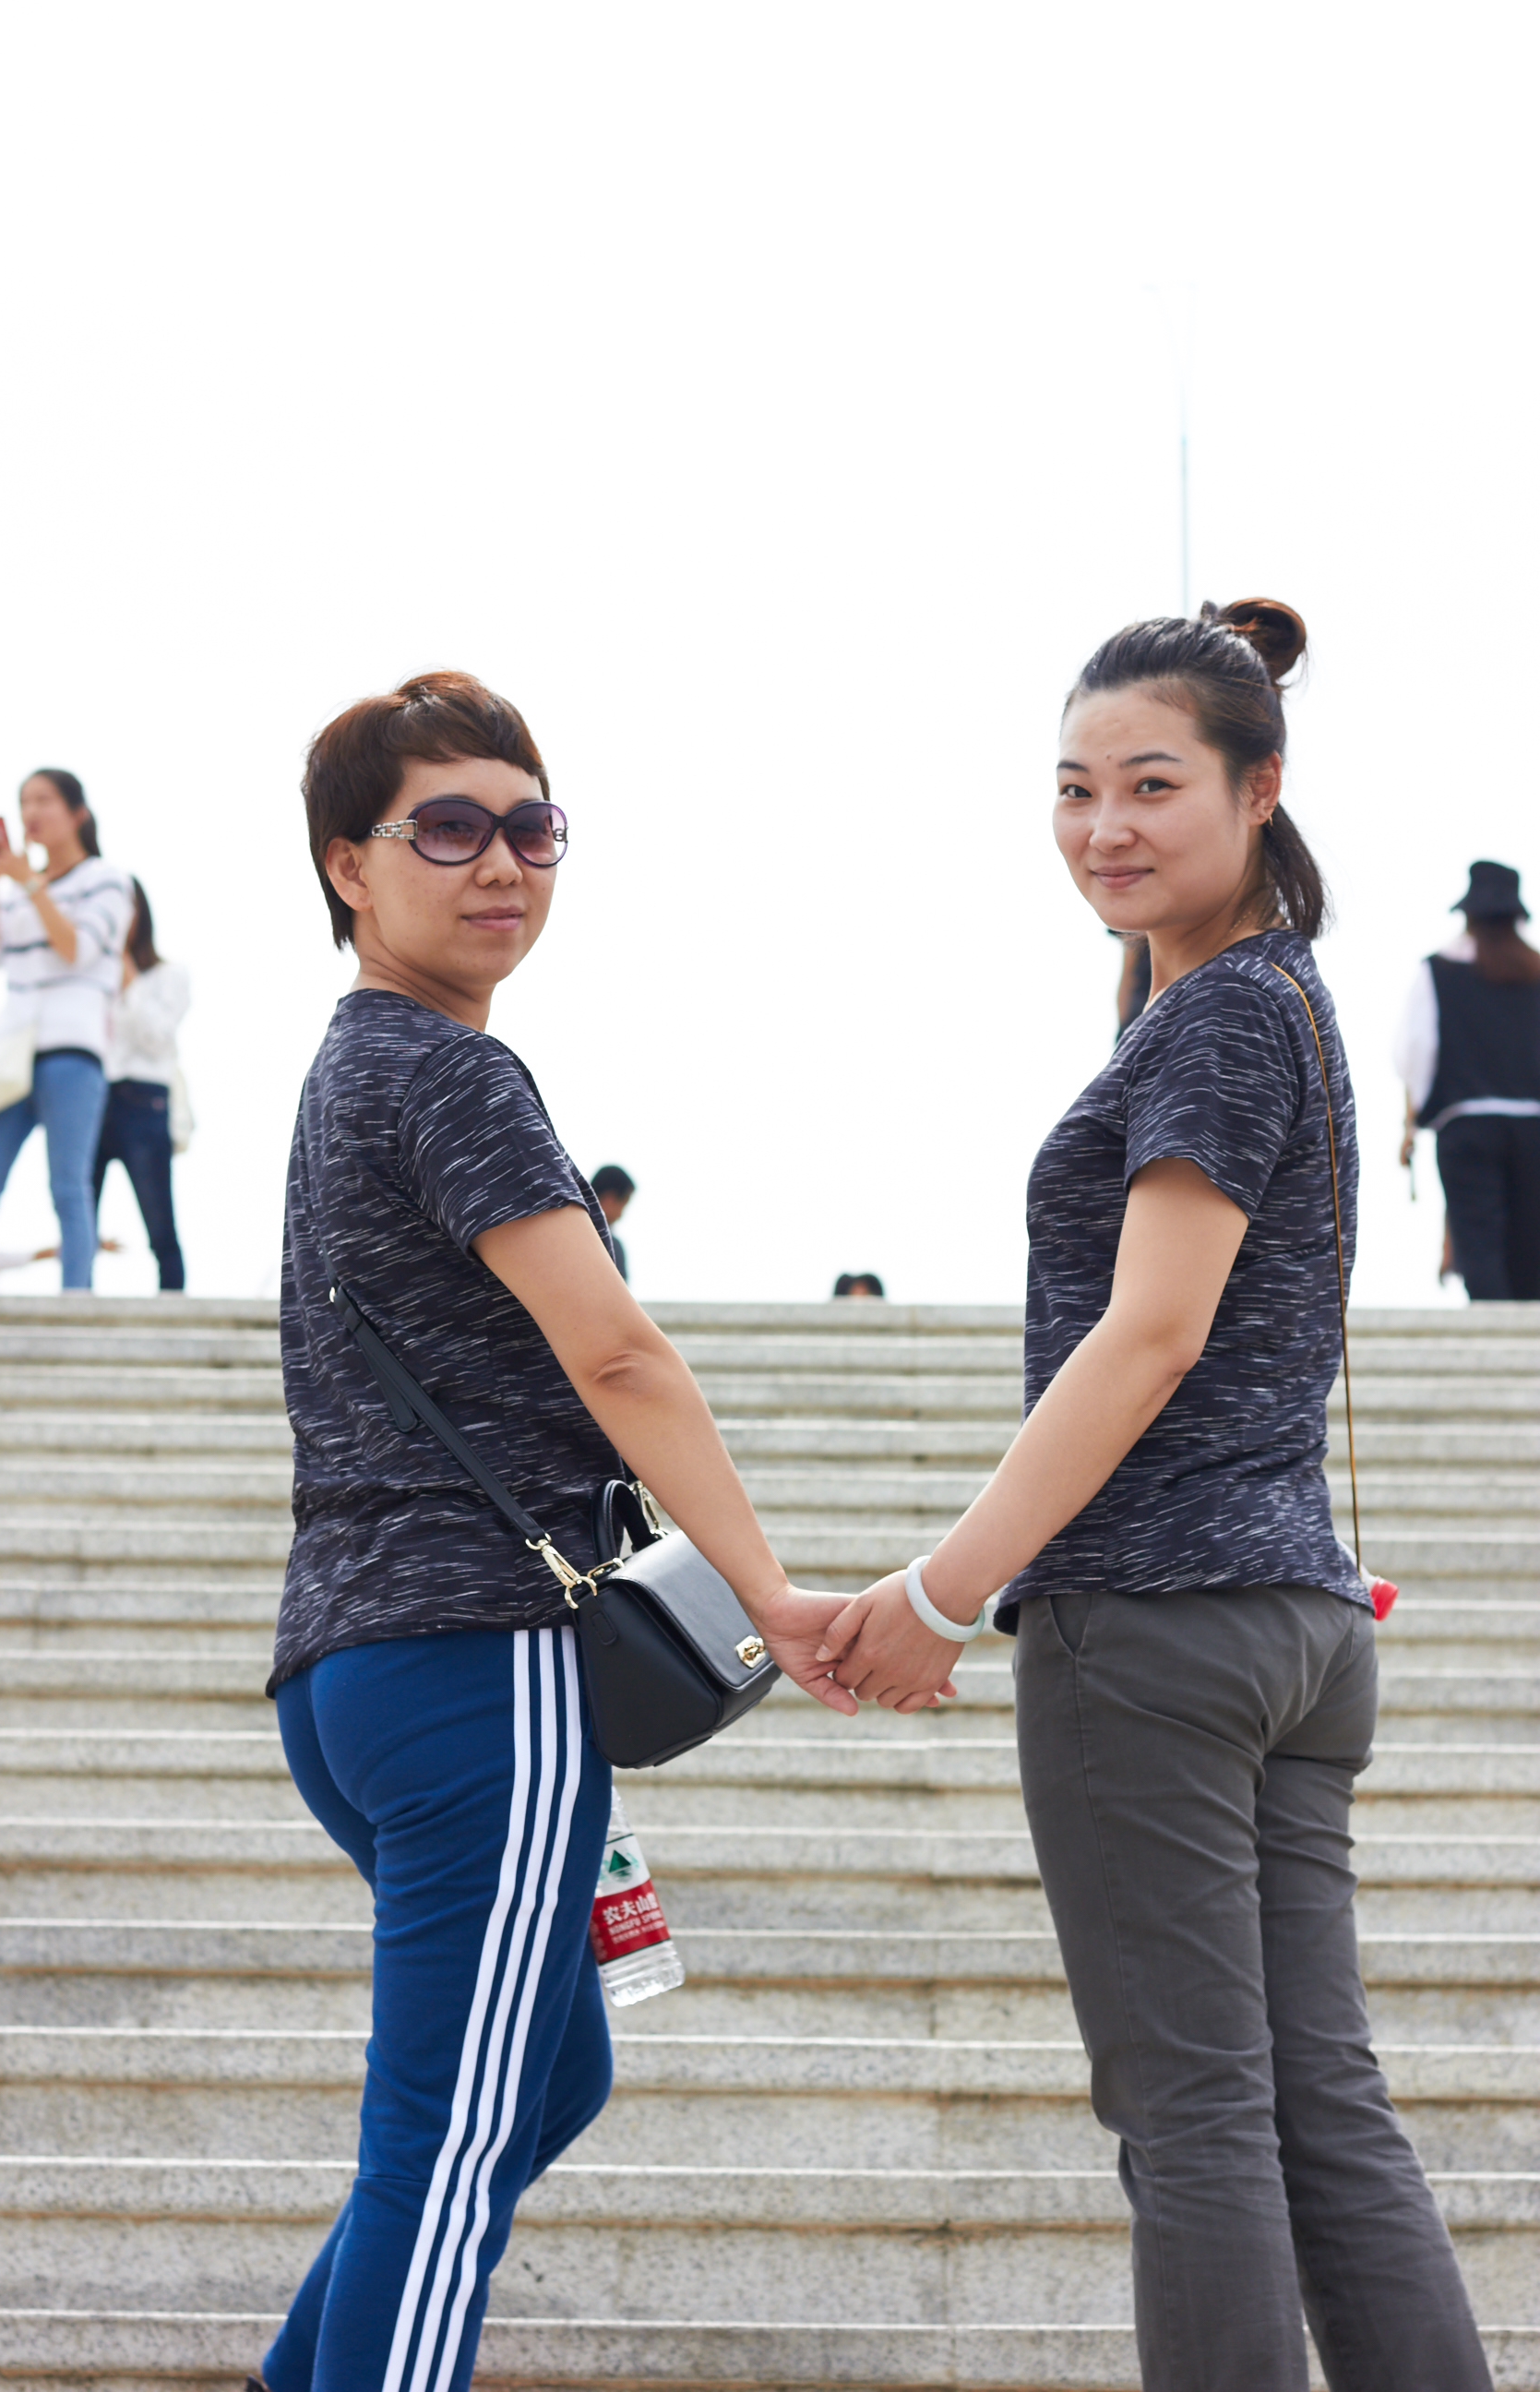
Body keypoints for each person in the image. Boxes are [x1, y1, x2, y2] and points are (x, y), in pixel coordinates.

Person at [818, 601, 1490, 2392]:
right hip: (1290, 1624)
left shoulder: (1220, 1018)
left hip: (1159, 1630)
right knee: (1320, 2112)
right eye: (1073, 789)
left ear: (1261, 788)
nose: (1102, 826)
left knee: (1194, 2119)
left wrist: (943, 1592)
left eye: (1151, 785)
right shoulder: (1263, 999)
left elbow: (1150, 1335)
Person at [262, 670, 862, 2392]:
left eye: (532, 828)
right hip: (474, 1660)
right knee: (450, 2144)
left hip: (358, 1670)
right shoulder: (450, 1070)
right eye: (447, 828)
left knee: (550, 2069)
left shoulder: (350, 1070)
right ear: (348, 866)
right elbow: (618, 1353)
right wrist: (768, 1593)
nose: (501, 863)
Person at [0, 771, 135, 1290]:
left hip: (73, 1050)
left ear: (77, 813)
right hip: (13, 1051)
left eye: (44, 800)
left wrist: (28, 883)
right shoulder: (15, 888)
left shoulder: (107, 880)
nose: (31, 812)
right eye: (24, 802)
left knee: (69, 1189)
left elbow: (75, 948)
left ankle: (76, 1305)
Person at [1394, 861, 1540, 1300]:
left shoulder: (1438, 970)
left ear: (1469, 915)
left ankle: (1493, 1332)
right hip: (1535, 1128)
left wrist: (1412, 1123)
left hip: (1467, 1126)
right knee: (1530, 1246)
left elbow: (1415, 1053)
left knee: (1478, 1242)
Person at [94, 879, 191, 1291]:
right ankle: (76, 1308)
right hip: (93, 1098)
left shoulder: (169, 976)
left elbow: (158, 1037)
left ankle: (175, 1311)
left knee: (160, 1229)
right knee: (78, 1220)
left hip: (144, 1102)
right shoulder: (90, 979)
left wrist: (128, 976)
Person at [588, 1163, 635, 1278]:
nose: (620, 1215)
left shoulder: (562, 1230)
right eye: (623, 1205)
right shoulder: (612, 1247)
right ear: (609, 1199)